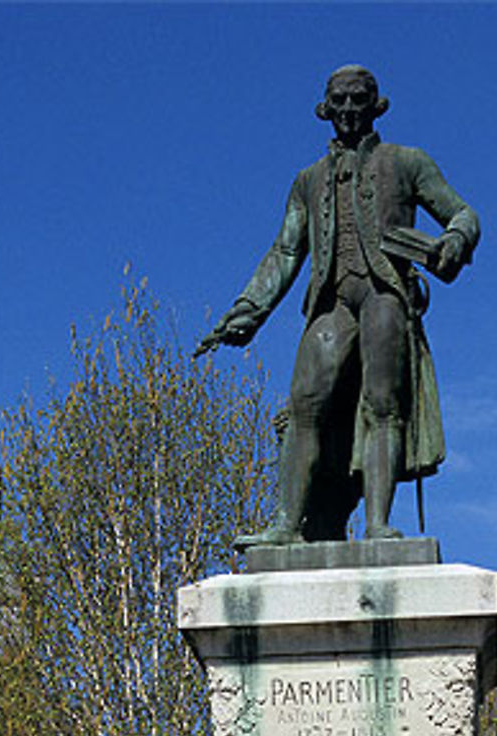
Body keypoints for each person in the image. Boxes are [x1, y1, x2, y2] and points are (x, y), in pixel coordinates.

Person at [196, 65, 479, 545]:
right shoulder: (308, 180)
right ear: (325, 109)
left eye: (358, 99)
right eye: (340, 101)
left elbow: (462, 213)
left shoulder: (407, 162)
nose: (349, 109)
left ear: (375, 105)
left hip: (384, 291)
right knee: (305, 402)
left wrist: (454, 240)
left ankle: (377, 525)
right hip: (332, 299)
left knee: (383, 403)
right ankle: (287, 524)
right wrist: (250, 310)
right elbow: (286, 250)